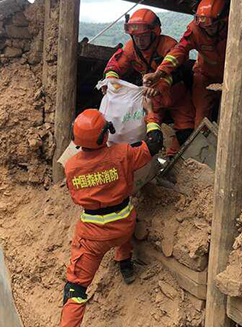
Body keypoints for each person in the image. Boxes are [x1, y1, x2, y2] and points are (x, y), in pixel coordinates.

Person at [60, 99, 163, 327]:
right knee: (124, 221)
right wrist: (151, 114)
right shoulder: (123, 154)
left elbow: (75, 195)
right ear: (105, 135)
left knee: (75, 288)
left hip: (93, 235)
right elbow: (154, 143)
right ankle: (124, 263)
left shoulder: (71, 167)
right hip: (124, 225)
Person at [102, 8, 195, 156]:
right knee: (148, 133)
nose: (139, 41)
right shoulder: (131, 48)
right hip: (152, 98)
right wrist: (109, 80)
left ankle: (173, 161)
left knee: (186, 132)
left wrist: (161, 84)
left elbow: (179, 71)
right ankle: (146, 165)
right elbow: (116, 64)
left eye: (143, 36)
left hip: (177, 95)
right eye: (135, 37)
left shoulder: (168, 45)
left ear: (154, 32)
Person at [144, 0, 229, 128]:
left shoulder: (235, 28)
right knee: (201, 116)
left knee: (231, 115)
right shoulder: (196, 29)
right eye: (204, 26)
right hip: (204, 76)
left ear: (223, 21)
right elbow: (179, 51)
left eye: (211, 26)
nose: (207, 29)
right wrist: (159, 73)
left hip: (231, 78)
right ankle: (201, 147)